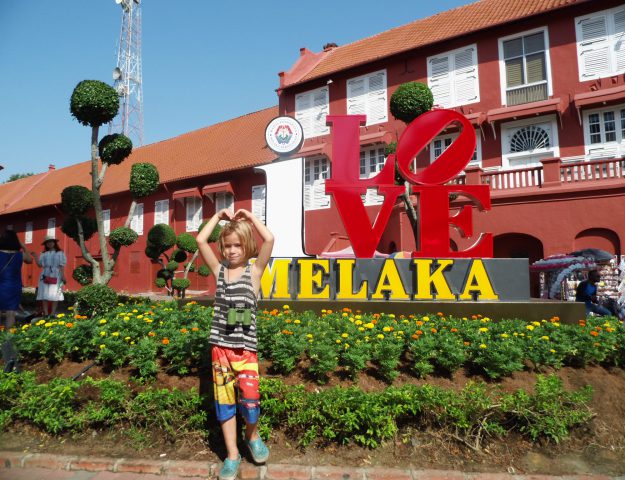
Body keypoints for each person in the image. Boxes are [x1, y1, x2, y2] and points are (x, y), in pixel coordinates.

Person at [197, 208, 274, 480]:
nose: (232, 251)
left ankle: (252, 436)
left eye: (238, 245)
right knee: (225, 403)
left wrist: (250, 219)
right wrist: (218, 218)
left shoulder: (255, 272)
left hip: (246, 351)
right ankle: (232, 454)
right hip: (220, 348)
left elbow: (269, 240)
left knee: (250, 400)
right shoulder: (218, 271)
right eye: (227, 246)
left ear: (247, 245)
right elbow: (199, 241)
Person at [0, 230, 33, 372]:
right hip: (14, 287)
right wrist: (22, 245)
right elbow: (30, 260)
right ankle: (8, 343)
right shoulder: (19, 255)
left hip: (1, 286)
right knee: (10, 316)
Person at [36, 235, 67, 316]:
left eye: (51, 241)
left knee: (55, 293)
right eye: (47, 242)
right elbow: (40, 265)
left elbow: (61, 265)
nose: (49, 243)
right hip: (45, 274)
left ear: (54, 243)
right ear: (45, 244)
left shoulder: (60, 253)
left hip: (56, 274)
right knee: (44, 294)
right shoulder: (43, 254)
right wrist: (35, 257)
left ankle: (52, 313)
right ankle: (46, 313)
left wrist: (63, 276)